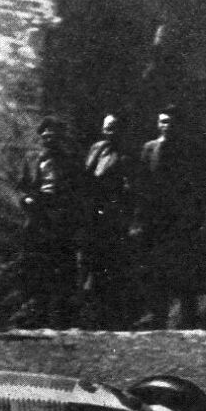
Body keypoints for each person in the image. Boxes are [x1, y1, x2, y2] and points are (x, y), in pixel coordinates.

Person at [133, 108, 206, 328]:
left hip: (183, 223)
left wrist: (196, 214)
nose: (165, 126)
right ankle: (158, 319)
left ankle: (188, 321)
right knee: (158, 274)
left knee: (186, 276)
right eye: (162, 122)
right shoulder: (149, 149)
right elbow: (142, 186)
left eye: (169, 122)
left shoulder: (191, 151)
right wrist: (141, 220)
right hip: (157, 224)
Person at [14, 116, 86, 328]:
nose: (49, 139)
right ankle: (36, 315)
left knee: (64, 267)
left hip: (63, 219)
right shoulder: (32, 160)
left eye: (54, 136)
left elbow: (79, 192)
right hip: (39, 218)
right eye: (45, 136)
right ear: (41, 138)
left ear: (61, 138)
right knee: (37, 266)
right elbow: (21, 187)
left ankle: (63, 318)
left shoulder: (71, 161)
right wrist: (27, 199)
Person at [82, 114, 135, 328]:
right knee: (93, 264)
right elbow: (87, 175)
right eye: (106, 128)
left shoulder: (127, 155)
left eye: (113, 128)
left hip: (114, 216)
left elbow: (130, 186)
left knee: (113, 266)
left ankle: (114, 318)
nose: (109, 132)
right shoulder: (97, 149)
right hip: (94, 214)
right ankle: (94, 317)